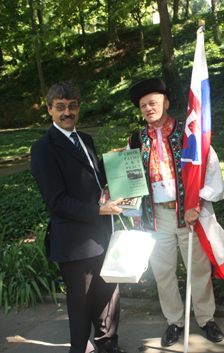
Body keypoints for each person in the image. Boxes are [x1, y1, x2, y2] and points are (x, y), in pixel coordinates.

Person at [126, 77, 224, 347]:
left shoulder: (188, 132)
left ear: (166, 103)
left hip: (188, 213)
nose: (148, 108)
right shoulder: (136, 139)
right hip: (156, 216)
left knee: (199, 269)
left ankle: (206, 318)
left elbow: (209, 166)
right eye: (143, 105)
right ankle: (175, 321)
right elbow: (129, 180)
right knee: (163, 273)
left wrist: (197, 205)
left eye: (153, 102)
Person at [31, 82, 126, 353]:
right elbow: (56, 201)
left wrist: (115, 166)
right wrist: (99, 210)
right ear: (50, 110)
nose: (67, 112)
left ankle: (108, 345)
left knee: (109, 296)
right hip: (74, 243)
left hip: (102, 233)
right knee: (81, 303)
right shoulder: (43, 148)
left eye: (72, 106)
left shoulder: (85, 140)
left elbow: (95, 183)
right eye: (60, 107)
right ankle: (80, 349)